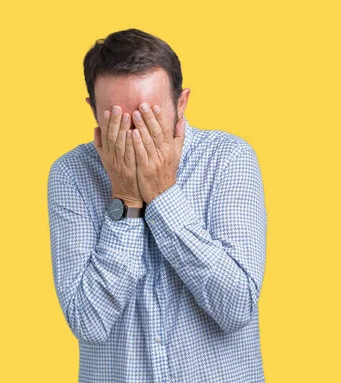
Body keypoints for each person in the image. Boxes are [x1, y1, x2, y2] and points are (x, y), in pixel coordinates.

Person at [46, 28, 267, 382]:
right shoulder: (72, 175)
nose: (135, 136)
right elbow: (87, 320)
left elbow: (236, 306)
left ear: (181, 104)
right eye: (116, 119)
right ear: (93, 110)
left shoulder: (228, 159)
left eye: (148, 117)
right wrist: (127, 201)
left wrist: (163, 194)